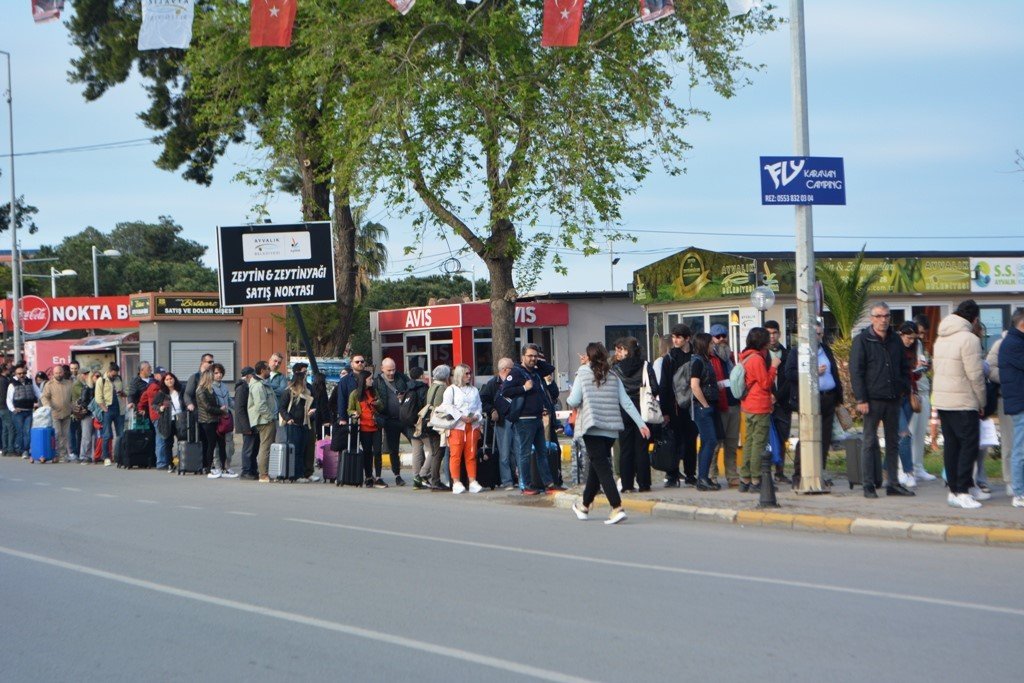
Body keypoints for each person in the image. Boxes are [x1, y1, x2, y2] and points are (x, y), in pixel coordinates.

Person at [568, 342, 651, 525]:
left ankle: (616, 507)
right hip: (611, 429)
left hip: (592, 427)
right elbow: (627, 403)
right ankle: (584, 505)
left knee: (603, 469)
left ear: (588, 357)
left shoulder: (582, 373)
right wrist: (641, 424)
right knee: (597, 468)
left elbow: (573, 400)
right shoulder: (613, 375)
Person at [849, 302, 914, 499]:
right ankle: (868, 484)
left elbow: (904, 366)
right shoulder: (862, 340)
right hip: (871, 399)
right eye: (878, 316)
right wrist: (861, 398)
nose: (883, 320)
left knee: (893, 442)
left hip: (893, 398)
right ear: (872, 318)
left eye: (886, 316)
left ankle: (893, 483)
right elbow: (856, 371)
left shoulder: (895, 340)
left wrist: (903, 387)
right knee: (869, 442)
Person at [932, 299, 987, 508]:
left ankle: (954, 490)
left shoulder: (941, 338)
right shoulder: (969, 339)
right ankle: (963, 491)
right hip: (964, 400)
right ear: (974, 319)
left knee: (952, 446)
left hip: (944, 400)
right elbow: (975, 376)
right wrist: (982, 400)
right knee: (968, 446)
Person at [786, 320, 843, 488]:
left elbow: (835, 372)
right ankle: (799, 475)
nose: (817, 337)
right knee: (807, 437)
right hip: (810, 399)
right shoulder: (798, 351)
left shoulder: (825, 349)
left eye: (819, 334)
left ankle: (819, 474)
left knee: (824, 439)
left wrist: (839, 397)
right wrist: (813, 372)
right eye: (814, 334)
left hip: (828, 398)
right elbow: (789, 373)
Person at [503, 344, 562, 496]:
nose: (533, 359)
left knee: (542, 453)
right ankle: (526, 485)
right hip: (524, 420)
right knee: (525, 453)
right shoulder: (516, 373)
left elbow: (550, 369)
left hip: (537, 418)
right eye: (529, 356)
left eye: (535, 356)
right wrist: (523, 388)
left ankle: (549, 484)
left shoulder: (535, 372)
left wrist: (538, 360)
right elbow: (506, 391)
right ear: (522, 357)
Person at [737, 327, 780, 492]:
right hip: (758, 405)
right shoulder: (757, 359)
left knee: (749, 441)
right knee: (758, 442)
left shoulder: (746, 356)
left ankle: (745, 478)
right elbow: (766, 383)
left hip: (748, 405)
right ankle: (756, 479)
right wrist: (774, 366)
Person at [657, 323, 698, 487]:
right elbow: (664, 386)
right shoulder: (670, 358)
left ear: (687, 338)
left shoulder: (695, 356)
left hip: (692, 406)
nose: (675, 340)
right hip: (674, 407)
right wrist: (665, 411)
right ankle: (672, 474)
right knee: (673, 441)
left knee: (690, 441)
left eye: (678, 337)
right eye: (673, 337)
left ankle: (690, 474)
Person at [611, 337, 652, 493]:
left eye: (620, 349)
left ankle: (627, 484)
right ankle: (644, 483)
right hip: (642, 408)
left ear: (626, 350)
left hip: (623, 409)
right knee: (642, 448)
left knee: (625, 448)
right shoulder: (645, 366)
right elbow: (654, 387)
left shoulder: (616, 369)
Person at [438, 363, 484, 494]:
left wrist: (476, 417)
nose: (469, 376)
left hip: (472, 426)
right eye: (466, 373)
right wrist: (461, 416)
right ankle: (456, 481)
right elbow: (447, 406)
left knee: (471, 455)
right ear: (460, 375)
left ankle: (472, 481)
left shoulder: (474, 390)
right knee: (455, 455)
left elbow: (479, 406)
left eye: (470, 373)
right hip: (457, 427)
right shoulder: (451, 389)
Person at [997, 307, 1024, 509]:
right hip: (1020, 403)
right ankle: (1019, 493)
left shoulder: (1015, 341)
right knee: (1020, 450)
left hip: (1019, 401)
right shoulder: (1014, 344)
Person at [688, 332, 721, 491]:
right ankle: (702, 478)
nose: (713, 346)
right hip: (702, 407)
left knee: (708, 442)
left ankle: (703, 476)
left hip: (708, 405)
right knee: (710, 440)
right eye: (710, 344)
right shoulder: (698, 362)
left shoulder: (705, 360)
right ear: (704, 345)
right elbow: (694, 385)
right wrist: (705, 405)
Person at [708, 324, 740, 486]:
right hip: (719, 405)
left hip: (734, 402)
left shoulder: (732, 356)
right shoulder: (710, 357)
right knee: (716, 443)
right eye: (717, 336)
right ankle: (711, 475)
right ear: (712, 339)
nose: (721, 339)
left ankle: (732, 474)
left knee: (732, 442)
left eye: (723, 336)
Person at [907, 315, 936, 482]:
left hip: (924, 390)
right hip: (913, 393)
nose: (921, 337)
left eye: (924, 333)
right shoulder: (905, 344)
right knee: (910, 432)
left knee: (920, 433)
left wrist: (925, 366)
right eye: (920, 333)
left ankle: (918, 467)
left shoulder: (920, 345)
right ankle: (907, 468)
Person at [480, 357, 516, 490]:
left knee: (516, 451)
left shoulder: (515, 382)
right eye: (513, 368)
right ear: (506, 370)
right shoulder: (492, 384)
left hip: (515, 418)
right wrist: (492, 410)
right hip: (502, 420)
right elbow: (483, 401)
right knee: (505, 452)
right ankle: (507, 481)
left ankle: (517, 477)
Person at [764, 320, 791, 484]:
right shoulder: (761, 354)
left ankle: (779, 472)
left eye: (774, 333)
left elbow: (789, 379)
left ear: (779, 334)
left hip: (783, 402)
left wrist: (777, 396)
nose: (772, 336)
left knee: (782, 437)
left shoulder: (787, 353)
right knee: (764, 438)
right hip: (764, 401)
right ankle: (764, 471)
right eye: (768, 333)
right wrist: (769, 396)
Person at [348, 370, 385, 488]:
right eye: (370, 379)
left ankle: (378, 476)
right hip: (364, 427)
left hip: (376, 426)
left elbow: (382, 407)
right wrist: (354, 413)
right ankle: (368, 476)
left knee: (378, 451)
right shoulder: (355, 394)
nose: (372, 381)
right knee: (367, 452)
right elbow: (349, 409)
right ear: (363, 380)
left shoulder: (374, 392)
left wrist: (377, 404)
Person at [375, 358, 409, 486]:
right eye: (389, 370)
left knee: (417, 442)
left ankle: (422, 475)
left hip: (405, 419)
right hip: (389, 420)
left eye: (394, 369)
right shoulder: (377, 382)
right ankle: (397, 475)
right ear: (382, 369)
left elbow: (411, 389)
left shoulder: (401, 378)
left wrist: (405, 395)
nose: (392, 372)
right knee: (393, 449)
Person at [278, 371, 316, 482]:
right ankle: (296, 475)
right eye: (304, 379)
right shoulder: (289, 392)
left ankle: (302, 474)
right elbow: (282, 408)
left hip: (304, 424)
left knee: (303, 450)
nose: (306, 381)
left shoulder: (308, 392)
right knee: (296, 450)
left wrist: (312, 412)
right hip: (293, 424)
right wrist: (288, 418)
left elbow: (312, 406)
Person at [196, 368, 234, 478]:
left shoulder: (209, 389)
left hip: (215, 420)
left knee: (221, 444)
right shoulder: (201, 390)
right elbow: (207, 407)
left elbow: (214, 404)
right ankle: (209, 468)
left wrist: (220, 408)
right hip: (207, 421)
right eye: (213, 375)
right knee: (211, 444)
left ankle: (223, 468)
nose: (215, 377)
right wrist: (221, 410)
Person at [896, 322, 920, 488]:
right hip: (895, 398)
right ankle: (908, 471)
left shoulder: (914, 349)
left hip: (909, 396)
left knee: (900, 436)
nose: (910, 341)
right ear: (901, 334)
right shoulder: (893, 348)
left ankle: (886, 469)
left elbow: (913, 377)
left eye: (913, 338)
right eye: (908, 337)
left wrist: (920, 370)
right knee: (905, 434)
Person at [404, 367, 434, 489]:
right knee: (433, 450)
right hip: (421, 424)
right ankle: (423, 474)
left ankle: (416, 477)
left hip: (411, 424)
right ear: (422, 376)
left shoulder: (408, 388)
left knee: (416, 451)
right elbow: (425, 406)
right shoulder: (423, 388)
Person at [248, 361, 277, 483]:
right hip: (265, 420)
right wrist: (270, 417)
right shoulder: (258, 386)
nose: (270, 371)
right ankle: (263, 474)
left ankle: (265, 473)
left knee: (267, 447)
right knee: (265, 447)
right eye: (268, 369)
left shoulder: (263, 383)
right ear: (262, 371)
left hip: (266, 419)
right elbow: (260, 405)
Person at [425, 365, 451, 491]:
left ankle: (435, 480)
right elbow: (440, 407)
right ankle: (435, 480)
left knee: (436, 452)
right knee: (438, 453)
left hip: (429, 423)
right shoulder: (442, 388)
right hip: (437, 424)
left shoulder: (432, 386)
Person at [150, 371, 183, 471]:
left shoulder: (181, 390)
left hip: (180, 419)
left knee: (182, 442)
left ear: (174, 379)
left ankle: (181, 462)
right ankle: (170, 464)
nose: (169, 381)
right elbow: (154, 404)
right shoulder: (162, 393)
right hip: (167, 420)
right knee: (168, 443)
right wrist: (160, 408)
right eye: (167, 379)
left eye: (171, 378)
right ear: (164, 381)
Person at [41, 364, 74, 462]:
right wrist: (47, 406)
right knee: (57, 434)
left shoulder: (69, 383)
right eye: (56, 373)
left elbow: (73, 397)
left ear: (63, 373)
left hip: (67, 413)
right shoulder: (49, 385)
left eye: (60, 372)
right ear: (53, 374)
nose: (58, 374)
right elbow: (44, 397)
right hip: (55, 414)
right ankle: (57, 454)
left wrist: (73, 406)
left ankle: (63, 455)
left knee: (65, 434)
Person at [94, 363, 122, 466]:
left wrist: (122, 393)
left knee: (120, 434)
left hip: (119, 409)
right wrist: (103, 408)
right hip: (108, 409)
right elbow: (98, 396)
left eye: (116, 375)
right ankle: (106, 457)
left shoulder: (119, 379)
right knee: (107, 434)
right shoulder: (101, 380)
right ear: (109, 371)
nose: (114, 376)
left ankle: (119, 456)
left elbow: (123, 391)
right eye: (113, 375)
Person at [233, 366, 258, 479]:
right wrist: (246, 427)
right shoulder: (242, 388)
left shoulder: (246, 386)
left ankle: (252, 470)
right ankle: (246, 471)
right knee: (248, 448)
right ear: (248, 376)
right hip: (247, 424)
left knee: (254, 448)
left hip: (251, 423)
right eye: (253, 375)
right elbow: (240, 409)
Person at [8, 364, 36, 459]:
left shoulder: (30, 382)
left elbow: (38, 392)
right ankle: (19, 449)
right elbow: (8, 399)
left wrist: (42, 404)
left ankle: (25, 450)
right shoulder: (12, 384)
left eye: (23, 373)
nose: (22, 375)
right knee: (20, 431)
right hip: (18, 412)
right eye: (19, 373)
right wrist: (13, 409)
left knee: (27, 431)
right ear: (16, 374)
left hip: (29, 411)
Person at [76, 371, 98, 463]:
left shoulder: (98, 387)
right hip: (88, 414)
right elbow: (84, 402)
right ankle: (84, 456)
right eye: (96, 376)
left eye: (99, 376)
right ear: (91, 377)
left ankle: (94, 455)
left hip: (96, 414)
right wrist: (90, 408)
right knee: (87, 436)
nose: (98, 378)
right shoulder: (87, 388)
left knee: (95, 436)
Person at [0, 364, 13, 456]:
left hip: (2, 407)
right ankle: (9, 448)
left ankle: (5, 448)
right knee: (10, 428)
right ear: (4, 370)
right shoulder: (4, 381)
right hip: (5, 406)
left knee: (5, 428)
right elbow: (5, 395)